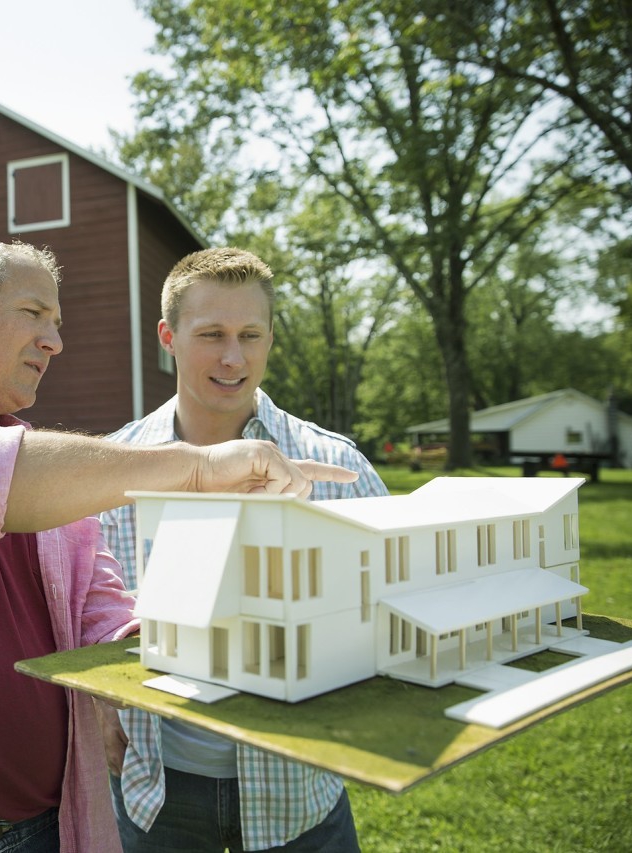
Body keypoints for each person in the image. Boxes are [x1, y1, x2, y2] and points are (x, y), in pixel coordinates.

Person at [0, 241, 358, 852]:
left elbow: (102, 609)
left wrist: (176, 644)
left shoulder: (54, 474)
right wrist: (197, 468)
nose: (54, 342)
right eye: (34, 315)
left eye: (57, 324)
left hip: (45, 831)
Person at [100, 247, 389, 852]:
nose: (234, 357)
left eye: (250, 335)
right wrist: (94, 700)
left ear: (270, 339)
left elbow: (395, 606)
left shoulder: (339, 469)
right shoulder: (110, 473)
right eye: (212, 334)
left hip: (301, 793)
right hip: (157, 795)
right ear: (168, 337)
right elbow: (76, 613)